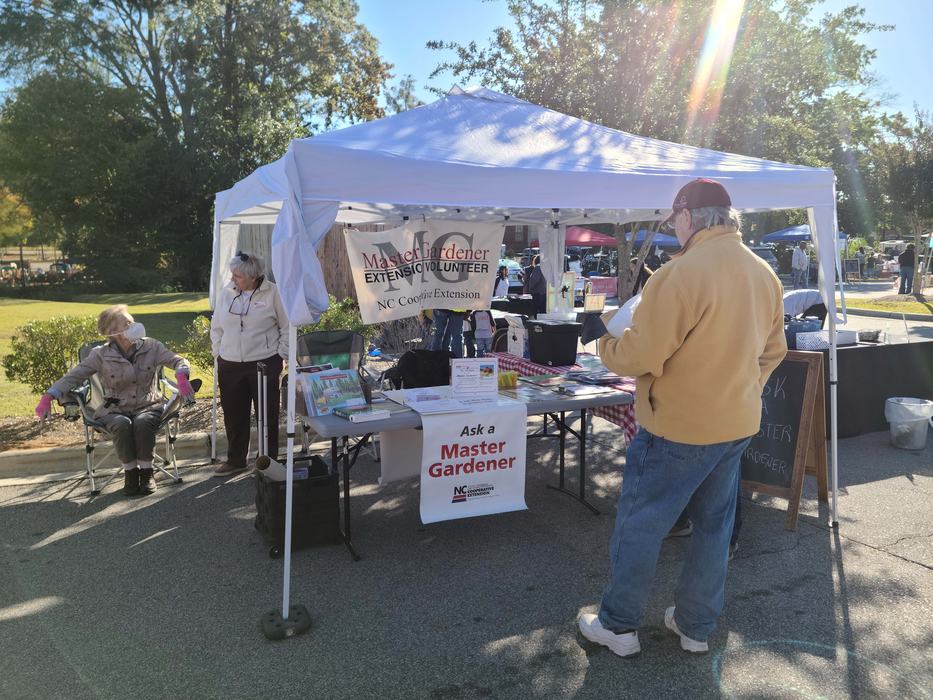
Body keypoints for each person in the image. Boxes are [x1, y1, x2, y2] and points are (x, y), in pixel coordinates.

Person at [577, 178, 786, 658]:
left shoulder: (680, 273)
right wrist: (743, 389)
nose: (675, 228)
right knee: (714, 528)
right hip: (735, 423)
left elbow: (641, 356)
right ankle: (696, 626)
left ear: (688, 216)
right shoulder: (763, 273)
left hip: (677, 426)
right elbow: (774, 351)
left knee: (641, 525)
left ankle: (618, 625)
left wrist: (603, 341)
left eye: (675, 220)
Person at [35, 305, 194, 496]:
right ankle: (130, 473)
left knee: (143, 422)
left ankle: (146, 473)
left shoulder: (152, 346)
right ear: (113, 332)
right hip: (114, 409)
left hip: (148, 405)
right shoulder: (100, 355)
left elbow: (178, 360)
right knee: (121, 423)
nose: (134, 325)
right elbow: (73, 377)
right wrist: (48, 396)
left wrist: (182, 375)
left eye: (132, 321)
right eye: (127, 323)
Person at [211, 252, 288, 477]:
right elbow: (216, 327)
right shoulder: (226, 293)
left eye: (239, 276)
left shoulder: (274, 293)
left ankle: (267, 461)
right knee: (234, 414)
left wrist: (280, 354)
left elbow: (286, 327)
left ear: (254, 277)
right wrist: (219, 353)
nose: (234, 279)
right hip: (230, 363)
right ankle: (236, 460)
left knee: (267, 414)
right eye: (233, 275)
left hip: (264, 362)